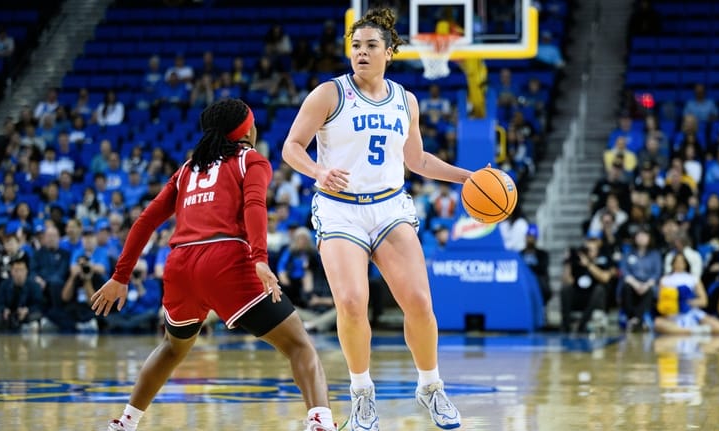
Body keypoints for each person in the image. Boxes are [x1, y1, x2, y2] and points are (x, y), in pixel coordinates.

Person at [90, 99, 336, 431]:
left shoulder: (187, 170)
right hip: (226, 261)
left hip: (179, 266)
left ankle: (125, 423)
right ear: (247, 129)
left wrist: (120, 276)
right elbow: (254, 205)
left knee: (172, 348)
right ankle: (321, 422)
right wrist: (260, 259)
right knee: (299, 345)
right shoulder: (251, 159)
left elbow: (145, 221)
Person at [281, 8, 466, 430]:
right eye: (356, 46)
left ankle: (430, 386)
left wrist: (467, 177)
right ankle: (362, 393)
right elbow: (292, 147)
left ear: (389, 52)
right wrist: (318, 171)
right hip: (339, 207)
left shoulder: (406, 100)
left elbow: (416, 159)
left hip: (389, 206)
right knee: (350, 302)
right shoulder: (329, 93)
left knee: (419, 301)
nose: (361, 53)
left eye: (371, 46)